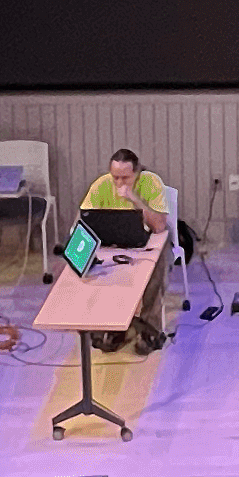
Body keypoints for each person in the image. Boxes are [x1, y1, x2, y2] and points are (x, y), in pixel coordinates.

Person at [78, 147, 171, 352]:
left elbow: (159, 226)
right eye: (115, 177)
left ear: (137, 173)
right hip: (112, 244)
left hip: (147, 243)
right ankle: (113, 327)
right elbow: (85, 219)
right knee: (101, 273)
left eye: (125, 178)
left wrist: (134, 200)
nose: (119, 183)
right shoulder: (101, 185)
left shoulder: (151, 182)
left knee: (157, 268)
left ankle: (149, 329)